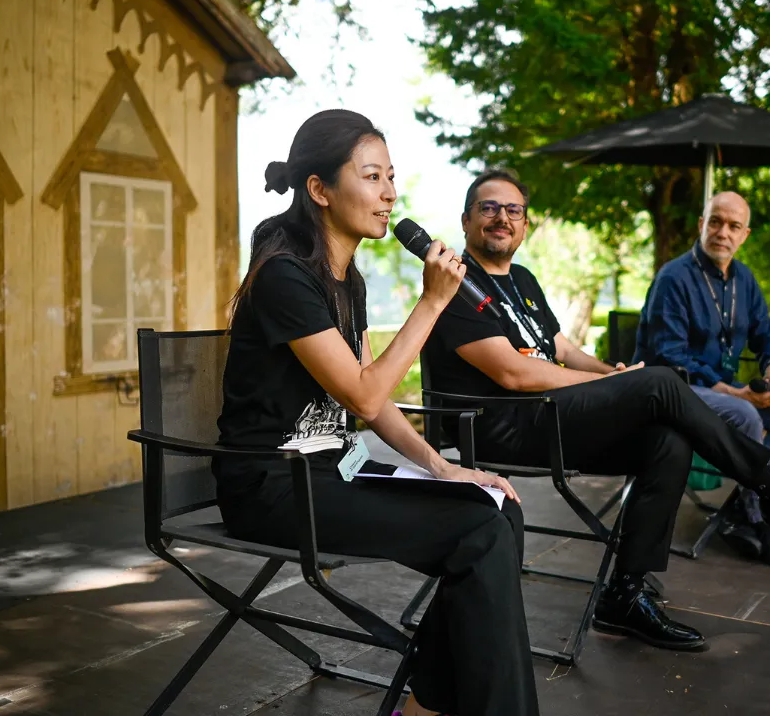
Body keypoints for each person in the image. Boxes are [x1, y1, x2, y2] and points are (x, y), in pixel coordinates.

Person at [423, 168, 770, 654]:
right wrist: (619, 383)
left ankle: (624, 593)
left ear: (526, 225)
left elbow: (560, 347)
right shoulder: (454, 283)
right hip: (501, 426)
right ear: (467, 221)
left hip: (550, 415)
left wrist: (607, 370)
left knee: (669, 438)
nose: (502, 218)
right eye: (489, 208)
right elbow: (515, 375)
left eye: (513, 210)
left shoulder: (523, 280)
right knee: (661, 379)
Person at [212, 111, 539, 716]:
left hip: (331, 469)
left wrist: (443, 468)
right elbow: (362, 395)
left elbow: (374, 400)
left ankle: (426, 704)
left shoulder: (348, 279)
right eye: (372, 176)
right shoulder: (285, 274)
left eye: (391, 176)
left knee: (496, 508)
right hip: (270, 486)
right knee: (477, 531)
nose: (390, 193)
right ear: (320, 190)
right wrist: (433, 302)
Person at [634, 191, 770, 569]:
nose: (722, 232)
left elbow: (766, 336)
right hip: (671, 392)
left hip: (721, 394)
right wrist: (733, 391)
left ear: (744, 235)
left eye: (734, 226)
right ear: (702, 225)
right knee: (744, 415)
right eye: (715, 222)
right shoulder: (674, 277)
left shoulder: (744, 279)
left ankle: (741, 509)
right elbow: (670, 356)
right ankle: (757, 518)